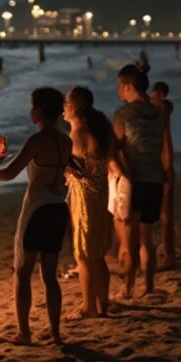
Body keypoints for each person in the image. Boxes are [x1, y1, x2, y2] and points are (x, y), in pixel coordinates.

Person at [0, 88, 72, 344]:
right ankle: (55, 333)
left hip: (37, 208)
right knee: (50, 275)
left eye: (32, 107)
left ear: (39, 111)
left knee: (22, 272)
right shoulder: (66, 140)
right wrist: (1, 159)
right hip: (58, 206)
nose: (30, 111)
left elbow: (9, 173)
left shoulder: (36, 140)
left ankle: (24, 333)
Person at [113, 65, 166, 299]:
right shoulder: (156, 113)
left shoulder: (123, 115)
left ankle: (128, 287)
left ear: (128, 86)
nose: (118, 91)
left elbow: (114, 149)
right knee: (147, 237)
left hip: (134, 181)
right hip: (155, 178)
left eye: (119, 86)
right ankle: (150, 286)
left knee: (130, 238)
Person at [63, 87, 114, 319]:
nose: (63, 107)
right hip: (100, 194)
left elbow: (74, 169)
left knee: (84, 255)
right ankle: (103, 302)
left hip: (85, 199)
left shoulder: (78, 133)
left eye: (66, 103)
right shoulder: (100, 126)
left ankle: (89, 306)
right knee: (97, 254)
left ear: (74, 107)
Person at [150, 81, 177, 269]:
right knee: (162, 213)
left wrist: (167, 167)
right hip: (157, 163)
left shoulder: (163, 108)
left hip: (162, 163)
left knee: (166, 213)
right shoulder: (158, 108)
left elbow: (167, 142)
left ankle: (169, 255)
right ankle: (168, 253)